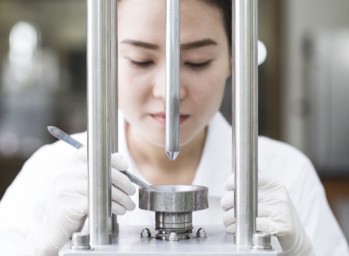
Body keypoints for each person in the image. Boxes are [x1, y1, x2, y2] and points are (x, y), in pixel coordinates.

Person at [0, 0, 348, 255]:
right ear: (107, 58)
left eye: (197, 62)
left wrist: (304, 252)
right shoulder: (49, 175)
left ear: (233, 58)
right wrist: (39, 248)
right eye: (141, 60)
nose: (170, 93)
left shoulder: (287, 174)